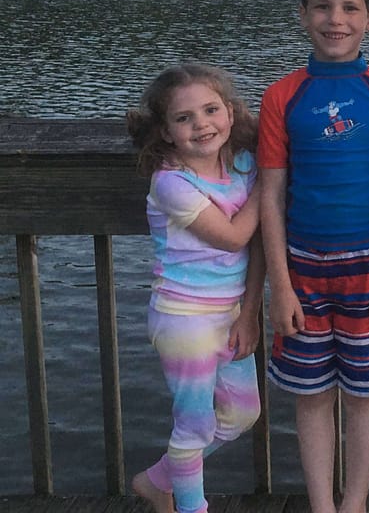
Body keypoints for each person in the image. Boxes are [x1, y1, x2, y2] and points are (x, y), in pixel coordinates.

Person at [258, 0, 369, 513]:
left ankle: (356, 504)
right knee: (311, 396)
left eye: (350, 7)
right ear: (302, 14)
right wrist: (280, 282)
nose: (335, 18)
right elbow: (270, 196)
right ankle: (322, 506)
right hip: (301, 265)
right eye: (322, 6)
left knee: (367, 398)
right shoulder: (283, 94)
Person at [126, 62, 265, 513]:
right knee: (194, 425)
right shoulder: (171, 182)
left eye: (210, 110)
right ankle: (190, 506)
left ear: (230, 112)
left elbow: (257, 245)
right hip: (183, 318)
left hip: (230, 312)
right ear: (165, 132)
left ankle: (156, 480)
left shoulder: (243, 164)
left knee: (243, 413)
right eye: (184, 118)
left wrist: (249, 313)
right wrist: (271, 184)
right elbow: (235, 236)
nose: (201, 124)